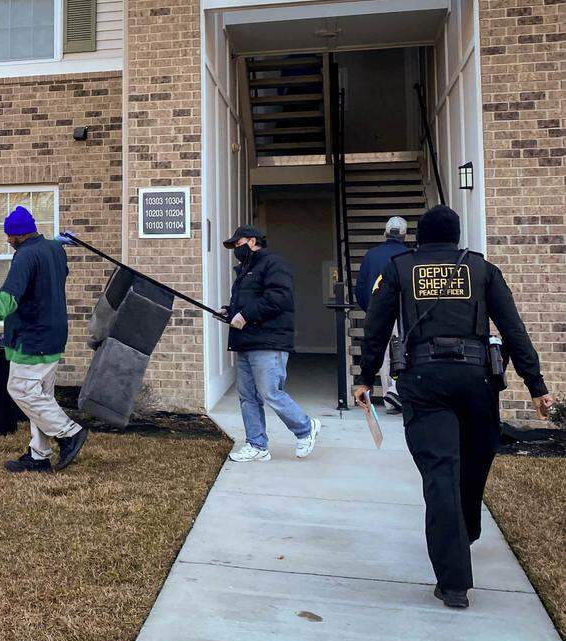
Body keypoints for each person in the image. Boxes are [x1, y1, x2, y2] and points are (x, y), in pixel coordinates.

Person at [355, 205, 554, 609]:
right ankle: (463, 541)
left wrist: (365, 376)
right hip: (477, 382)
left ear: (420, 238)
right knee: (472, 465)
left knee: (441, 473)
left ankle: (454, 582)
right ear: (457, 236)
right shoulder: (481, 270)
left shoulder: (400, 268)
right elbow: (513, 328)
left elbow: (376, 327)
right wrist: (536, 385)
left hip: (424, 382)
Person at [0, 206, 88, 473]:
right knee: (41, 396)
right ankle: (39, 456)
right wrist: (55, 242)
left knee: (21, 390)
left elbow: (9, 297)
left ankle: (69, 433)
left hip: (33, 337)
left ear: (17, 235)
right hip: (55, 334)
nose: (7, 240)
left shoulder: (24, 256)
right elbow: (48, 267)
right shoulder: (54, 250)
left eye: (9, 236)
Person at [221, 224, 321, 462]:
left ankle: (306, 428)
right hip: (245, 341)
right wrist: (229, 311)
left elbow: (278, 298)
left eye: (239, 243)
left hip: (268, 342)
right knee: (247, 396)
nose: (236, 248)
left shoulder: (274, 264)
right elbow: (247, 303)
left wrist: (245, 315)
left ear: (253, 241)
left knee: (270, 392)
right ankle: (257, 445)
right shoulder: (245, 270)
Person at [355, 216, 411, 412]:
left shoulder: (371, 255)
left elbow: (360, 287)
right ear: (405, 236)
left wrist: (369, 309)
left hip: (378, 311)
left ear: (385, 233)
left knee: (384, 355)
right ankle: (401, 394)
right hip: (405, 314)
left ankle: (390, 399)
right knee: (404, 353)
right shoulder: (410, 255)